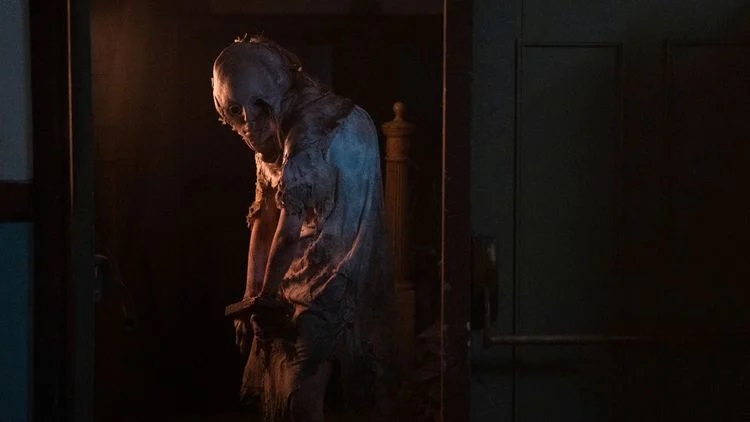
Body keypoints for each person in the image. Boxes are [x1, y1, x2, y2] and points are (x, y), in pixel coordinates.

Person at [212, 35, 393, 422]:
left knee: (302, 387)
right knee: (283, 377)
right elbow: (264, 217)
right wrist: (252, 296)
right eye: (235, 111)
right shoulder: (271, 132)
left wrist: (265, 301)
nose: (248, 123)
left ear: (274, 93)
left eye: (257, 107)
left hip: (338, 268)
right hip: (300, 264)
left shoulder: (308, 133)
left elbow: (287, 230)